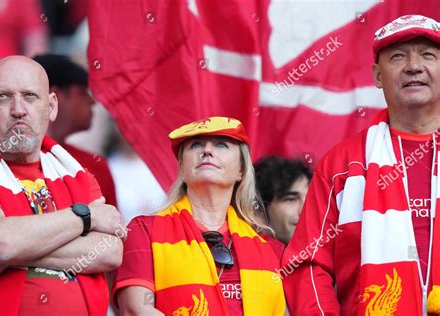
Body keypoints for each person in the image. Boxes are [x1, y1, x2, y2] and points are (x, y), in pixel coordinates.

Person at [282, 15, 440, 315]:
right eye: (398, 56)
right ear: (378, 76)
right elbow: (307, 262)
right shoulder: (343, 164)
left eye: (428, 55)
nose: (414, 65)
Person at [0, 55, 125, 315]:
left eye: (30, 96)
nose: (18, 109)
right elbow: (0, 241)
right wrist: (86, 217)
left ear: (51, 106)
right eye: (3, 97)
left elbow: (110, 251)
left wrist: (2, 259)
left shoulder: (78, 172)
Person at [113, 117, 286, 315]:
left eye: (221, 144)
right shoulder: (144, 230)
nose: (207, 151)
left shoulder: (271, 250)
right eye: (196, 144)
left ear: (241, 170)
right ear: (182, 169)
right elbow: (136, 310)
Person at [33, 53, 118, 207]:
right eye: (82, 92)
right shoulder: (2, 165)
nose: (92, 101)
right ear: (55, 97)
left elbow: (113, 227)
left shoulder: (95, 166)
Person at [254, 156, 312, 245]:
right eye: (291, 199)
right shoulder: (234, 256)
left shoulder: (330, 255)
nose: (306, 211)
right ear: (259, 211)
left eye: (311, 199)